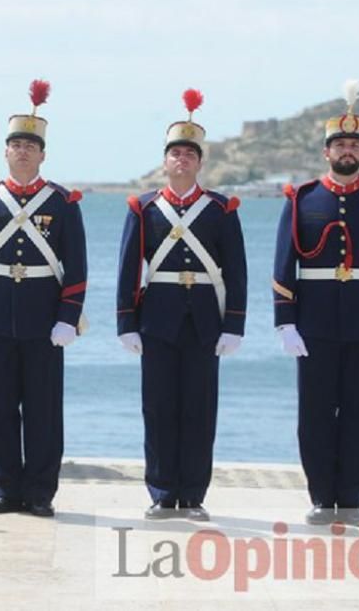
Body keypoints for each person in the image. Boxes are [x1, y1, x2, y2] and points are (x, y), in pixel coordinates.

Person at [272, 80, 359, 527]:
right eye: (339, 144)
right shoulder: (303, 199)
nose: (347, 151)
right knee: (314, 414)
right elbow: (284, 265)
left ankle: (351, 499)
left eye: (354, 144)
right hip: (312, 324)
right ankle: (320, 497)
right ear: (326, 152)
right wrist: (284, 322)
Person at [0, 79, 88, 518]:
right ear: (6, 151)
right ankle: (3, 486)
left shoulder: (63, 203)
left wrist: (68, 317)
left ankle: (39, 491)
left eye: (31, 145)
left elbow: (77, 266)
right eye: (16, 144)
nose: (23, 151)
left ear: (43, 154)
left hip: (43, 321)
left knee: (43, 412)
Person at [116, 89, 247, 521]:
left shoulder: (221, 209)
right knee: (157, 410)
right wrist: (126, 323)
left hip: (205, 323)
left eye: (190, 154)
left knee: (199, 411)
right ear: (165, 160)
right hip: (157, 321)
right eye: (175, 153)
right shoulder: (144, 208)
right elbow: (127, 268)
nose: (182, 160)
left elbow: (236, 270)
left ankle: (192, 495)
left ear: (199, 162)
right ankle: (161, 492)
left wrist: (234, 325)